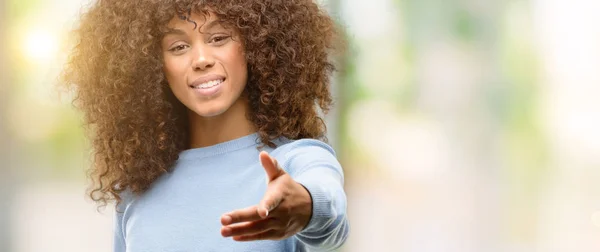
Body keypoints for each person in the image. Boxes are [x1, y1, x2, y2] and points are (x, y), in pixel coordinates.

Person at [61, 0, 349, 251]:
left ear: (257, 44)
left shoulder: (295, 161)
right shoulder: (137, 189)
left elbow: (330, 213)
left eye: (219, 38)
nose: (201, 60)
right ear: (152, 66)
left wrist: (307, 207)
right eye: (179, 47)